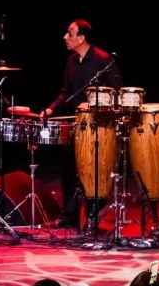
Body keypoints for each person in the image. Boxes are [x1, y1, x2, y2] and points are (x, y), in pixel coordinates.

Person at [38, 20, 122, 229]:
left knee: (93, 171)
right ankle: (70, 216)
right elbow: (65, 92)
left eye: (69, 33)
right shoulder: (71, 61)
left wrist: (97, 105)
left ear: (81, 38)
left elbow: (117, 92)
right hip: (77, 124)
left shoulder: (103, 59)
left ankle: (93, 215)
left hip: (98, 127)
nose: (65, 37)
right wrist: (51, 109)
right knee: (68, 167)